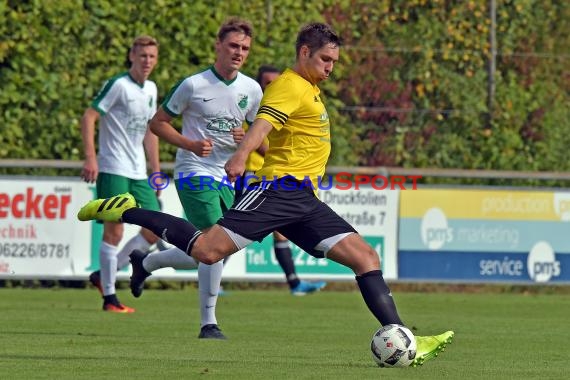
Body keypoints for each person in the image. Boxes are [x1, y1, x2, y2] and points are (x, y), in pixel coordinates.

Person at [77, 22, 454, 365]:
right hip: (277, 191)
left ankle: (406, 339)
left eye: (334, 61)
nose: (330, 67)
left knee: (365, 256)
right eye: (324, 58)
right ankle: (128, 211)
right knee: (209, 250)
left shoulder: (310, 88)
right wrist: (241, 156)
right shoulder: (289, 85)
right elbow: (264, 123)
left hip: (305, 200)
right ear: (304, 52)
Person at [124, 18, 262, 339]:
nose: (239, 52)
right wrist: (190, 144)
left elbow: (263, 139)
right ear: (218, 45)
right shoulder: (193, 85)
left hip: (226, 177)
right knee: (214, 242)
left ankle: (147, 263)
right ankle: (208, 324)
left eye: (244, 48)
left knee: (214, 248)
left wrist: (246, 139)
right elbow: (157, 123)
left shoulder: (251, 89)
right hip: (193, 173)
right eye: (233, 46)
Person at [79, 35, 162, 313]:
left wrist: (156, 170)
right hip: (113, 167)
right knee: (114, 231)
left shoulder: (151, 88)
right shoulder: (118, 85)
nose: (147, 61)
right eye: (142, 56)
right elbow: (89, 116)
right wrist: (91, 158)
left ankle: (103, 276)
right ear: (131, 56)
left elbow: (151, 130)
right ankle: (110, 298)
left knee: (154, 229)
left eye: (151, 56)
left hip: (139, 172)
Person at [244, 64, 326, 296]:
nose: (271, 86)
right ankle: (208, 271)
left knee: (279, 231)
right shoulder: (255, 109)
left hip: (277, 179)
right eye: (266, 82)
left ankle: (294, 283)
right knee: (233, 233)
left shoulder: (287, 103)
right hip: (254, 177)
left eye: (274, 81)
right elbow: (256, 143)